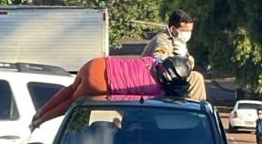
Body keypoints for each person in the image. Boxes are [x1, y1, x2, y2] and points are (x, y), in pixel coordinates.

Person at [29, 54, 192, 129]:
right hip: (103, 82)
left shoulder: (150, 61)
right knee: (71, 103)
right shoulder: (155, 91)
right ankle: (40, 122)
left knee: (71, 89)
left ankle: (40, 112)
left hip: (98, 63)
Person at [141, 9, 208, 100]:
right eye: (185, 31)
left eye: (190, 30)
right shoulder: (162, 40)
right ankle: (196, 112)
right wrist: (177, 58)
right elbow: (159, 59)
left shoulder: (177, 40)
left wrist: (185, 57)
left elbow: (188, 65)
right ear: (173, 29)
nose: (188, 34)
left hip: (165, 79)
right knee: (196, 78)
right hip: (152, 78)